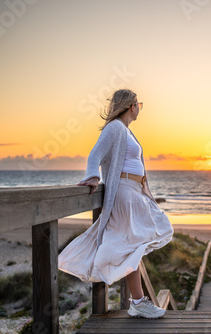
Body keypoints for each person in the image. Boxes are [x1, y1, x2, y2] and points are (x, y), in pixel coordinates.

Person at [58, 88, 174, 319]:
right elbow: (95, 155)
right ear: (132, 106)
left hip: (134, 193)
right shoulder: (115, 128)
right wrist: (93, 176)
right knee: (131, 244)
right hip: (123, 194)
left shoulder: (127, 132)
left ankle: (138, 301)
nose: (140, 107)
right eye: (138, 104)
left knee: (139, 241)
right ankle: (138, 302)